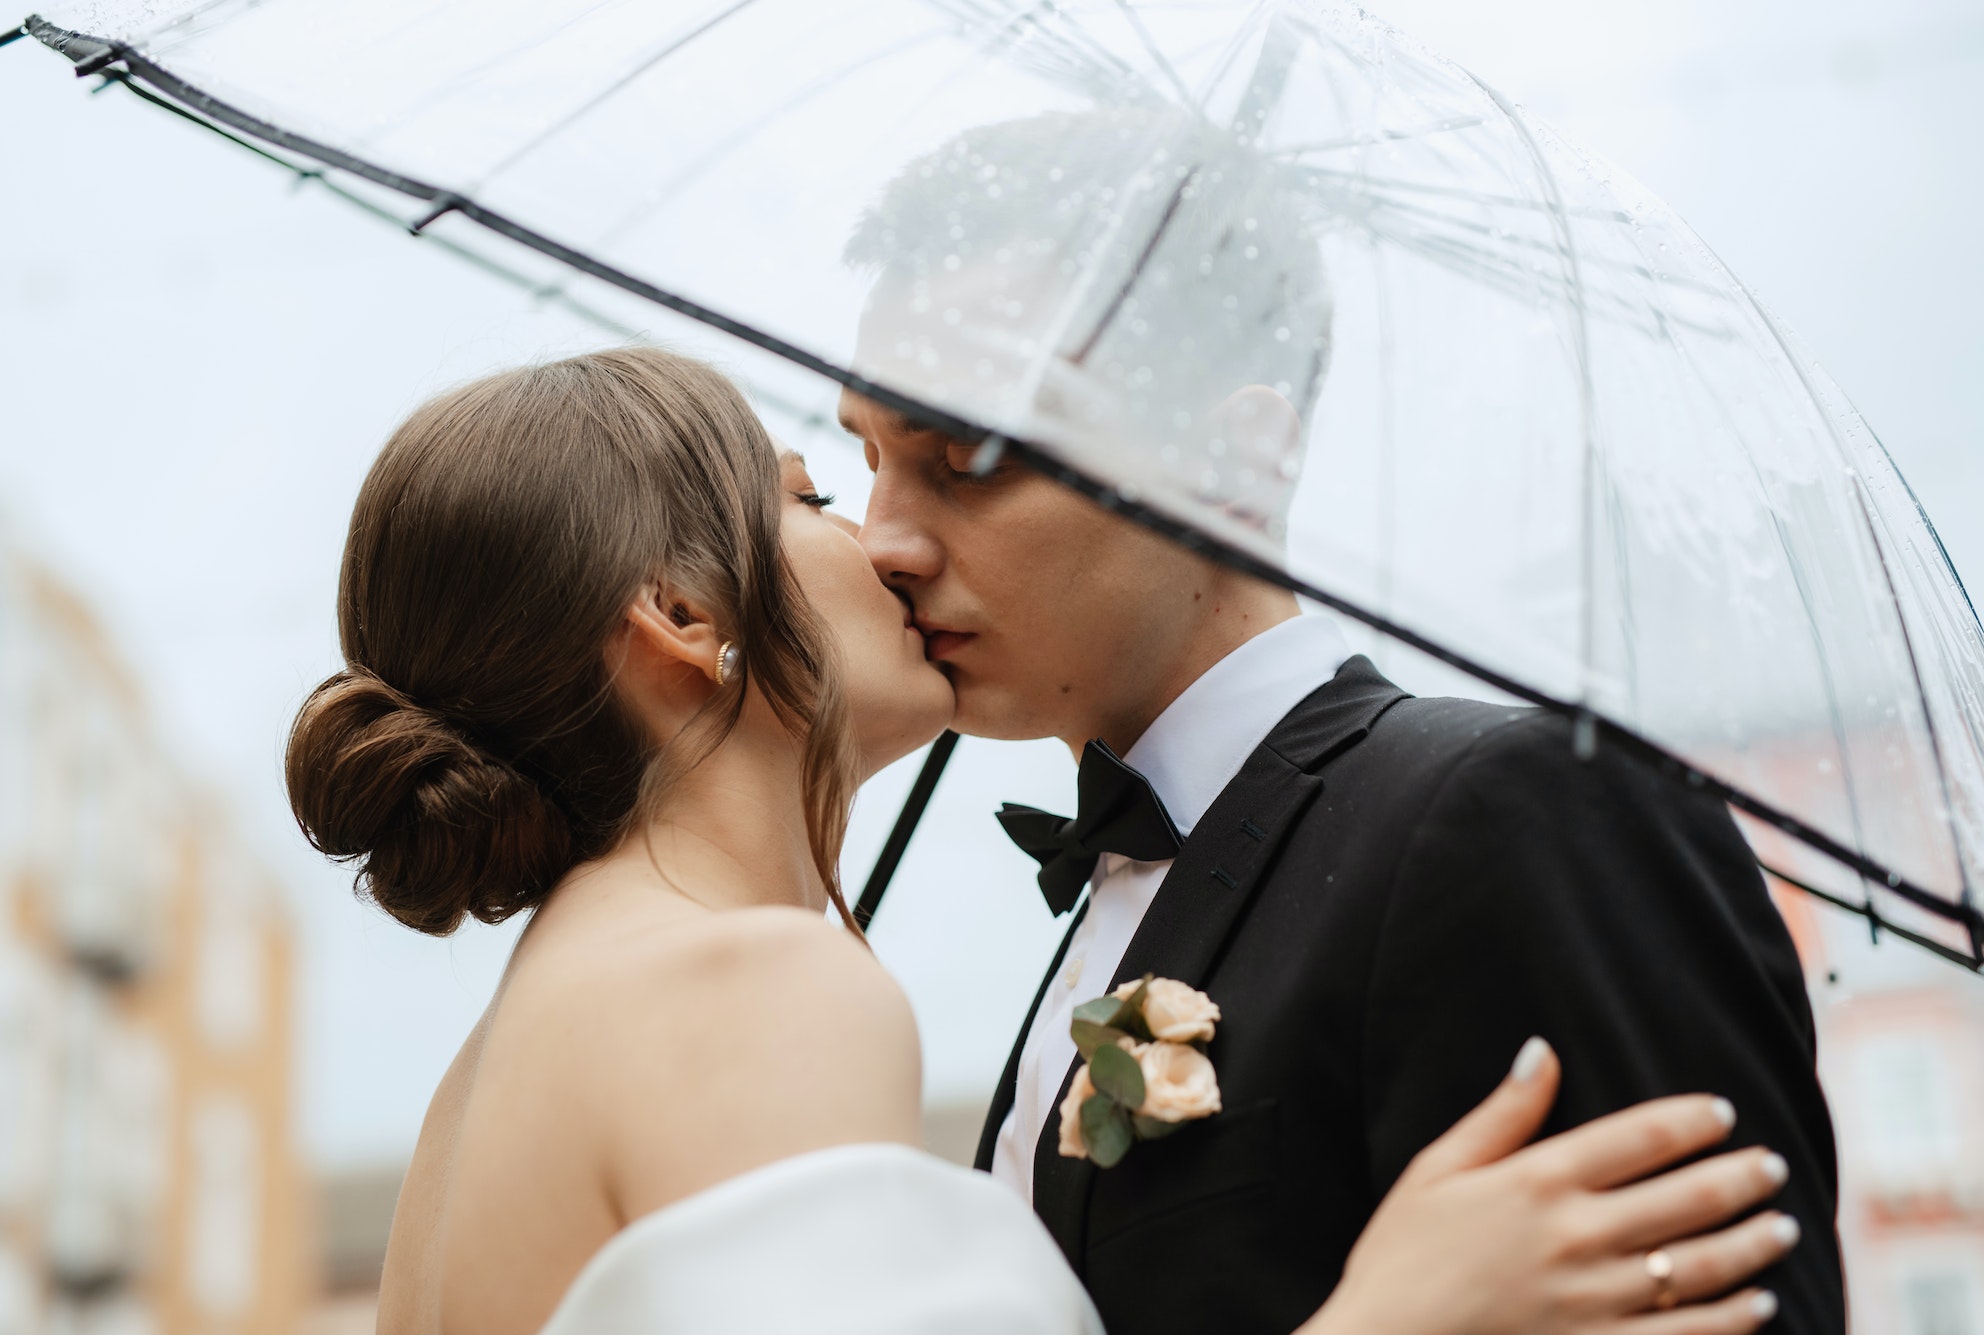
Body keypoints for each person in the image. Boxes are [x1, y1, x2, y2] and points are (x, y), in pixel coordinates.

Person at [285, 347, 1799, 1335]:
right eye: (817, 490)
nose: (880, 540)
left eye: (943, 466)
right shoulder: (744, 986)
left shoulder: (489, 1082)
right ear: (682, 619)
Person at [838, 110, 1847, 1334]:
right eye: (864, 458)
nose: (882, 539)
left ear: (1237, 459)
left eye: (968, 455)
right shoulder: (1106, 901)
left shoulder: (1512, 812)